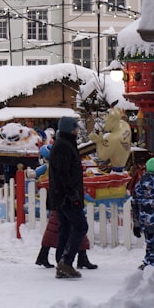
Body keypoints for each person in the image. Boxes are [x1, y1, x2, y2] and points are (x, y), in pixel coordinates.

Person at [49, 116, 89, 279]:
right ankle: (66, 261)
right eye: (76, 127)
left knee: (65, 228)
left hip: (62, 195)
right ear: (70, 129)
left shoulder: (64, 144)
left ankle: (62, 262)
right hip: (66, 196)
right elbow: (63, 173)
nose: (78, 130)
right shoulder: (64, 147)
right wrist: (72, 194)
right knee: (80, 226)